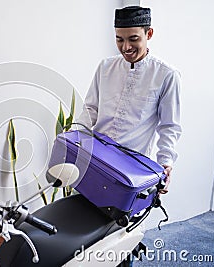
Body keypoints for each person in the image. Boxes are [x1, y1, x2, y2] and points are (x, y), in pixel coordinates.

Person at [78, 6, 182, 194]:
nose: (126, 47)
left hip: (130, 170)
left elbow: (169, 126)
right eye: (119, 39)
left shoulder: (166, 75)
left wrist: (166, 162)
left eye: (133, 39)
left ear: (148, 33)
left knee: (123, 222)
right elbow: (90, 109)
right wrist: (71, 137)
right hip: (95, 159)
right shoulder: (105, 66)